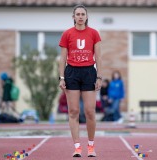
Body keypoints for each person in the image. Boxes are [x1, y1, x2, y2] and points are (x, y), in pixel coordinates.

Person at [58, 4, 102, 157]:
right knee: (73, 111)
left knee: (90, 111)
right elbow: (62, 58)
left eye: (83, 14)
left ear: (87, 16)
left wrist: (99, 76)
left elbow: (99, 57)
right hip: (72, 72)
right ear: (74, 17)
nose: (81, 16)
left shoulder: (94, 33)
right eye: (78, 14)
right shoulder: (67, 34)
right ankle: (77, 147)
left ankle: (91, 146)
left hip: (89, 72)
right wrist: (62, 77)